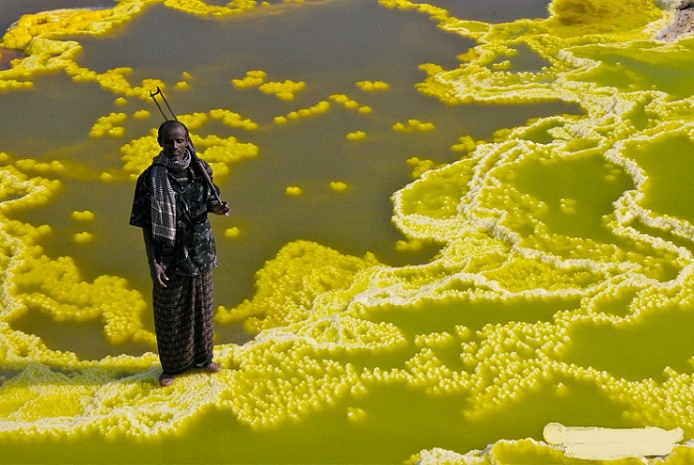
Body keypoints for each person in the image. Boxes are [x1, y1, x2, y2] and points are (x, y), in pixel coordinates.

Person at [130, 120, 230, 387]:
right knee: (170, 313)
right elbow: (145, 223)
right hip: (169, 255)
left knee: (202, 309)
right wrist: (153, 263)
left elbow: (211, 202)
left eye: (179, 140)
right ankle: (171, 367)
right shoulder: (150, 179)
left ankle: (204, 359)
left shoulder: (201, 169)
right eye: (169, 141)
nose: (174, 146)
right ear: (159, 142)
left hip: (199, 251)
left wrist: (220, 209)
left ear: (187, 141)